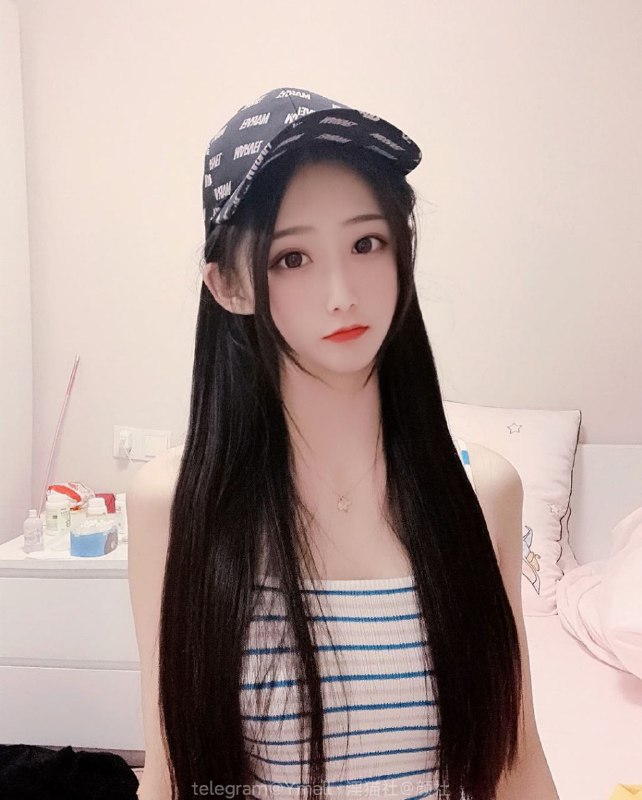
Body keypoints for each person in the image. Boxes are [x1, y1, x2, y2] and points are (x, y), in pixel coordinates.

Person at [127, 87, 559, 800]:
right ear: (229, 285)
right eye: (291, 258)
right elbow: (173, 773)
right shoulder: (173, 504)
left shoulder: (483, 494)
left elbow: (515, 758)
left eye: (366, 244)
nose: (341, 293)